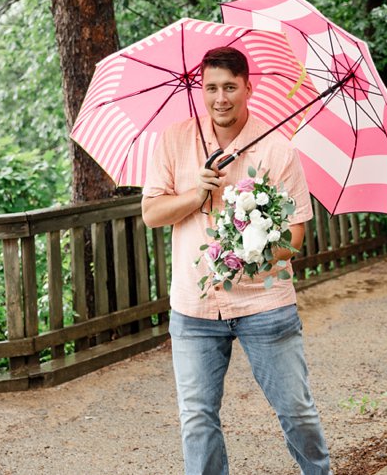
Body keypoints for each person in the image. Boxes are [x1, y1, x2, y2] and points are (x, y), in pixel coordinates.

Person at [142, 46, 331, 475]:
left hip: (265, 304)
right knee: (197, 419)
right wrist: (196, 194)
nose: (220, 98)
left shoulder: (278, 150)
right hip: (194, 307)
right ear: (200, 89)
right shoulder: (174, 140)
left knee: (296, 411)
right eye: (211, 88)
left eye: (230, 87)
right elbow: (152, 213)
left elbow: (295, 235)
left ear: (248, 87)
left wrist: (251, 253)